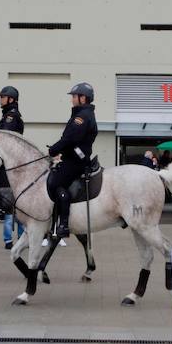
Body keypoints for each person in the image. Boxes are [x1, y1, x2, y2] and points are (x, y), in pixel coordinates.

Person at [47, 82, 98, 238]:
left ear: (83, 98)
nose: (72, 99)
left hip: (76, 161)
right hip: (73, 157)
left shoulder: (82, 117)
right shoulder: (82, 114)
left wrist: (54, 149)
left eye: (74, 96)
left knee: (55, 183)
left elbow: (70, 139)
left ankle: (63, 224)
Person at [0, 85, 25, 249]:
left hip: (9, 163)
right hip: (10, 162)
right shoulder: (9, 115)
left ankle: (14, 238)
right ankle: (16, 237)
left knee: (9, 205)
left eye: (2, 97)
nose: (0, 99)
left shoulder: (11, 117)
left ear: (10, 99)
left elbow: (4, 138)